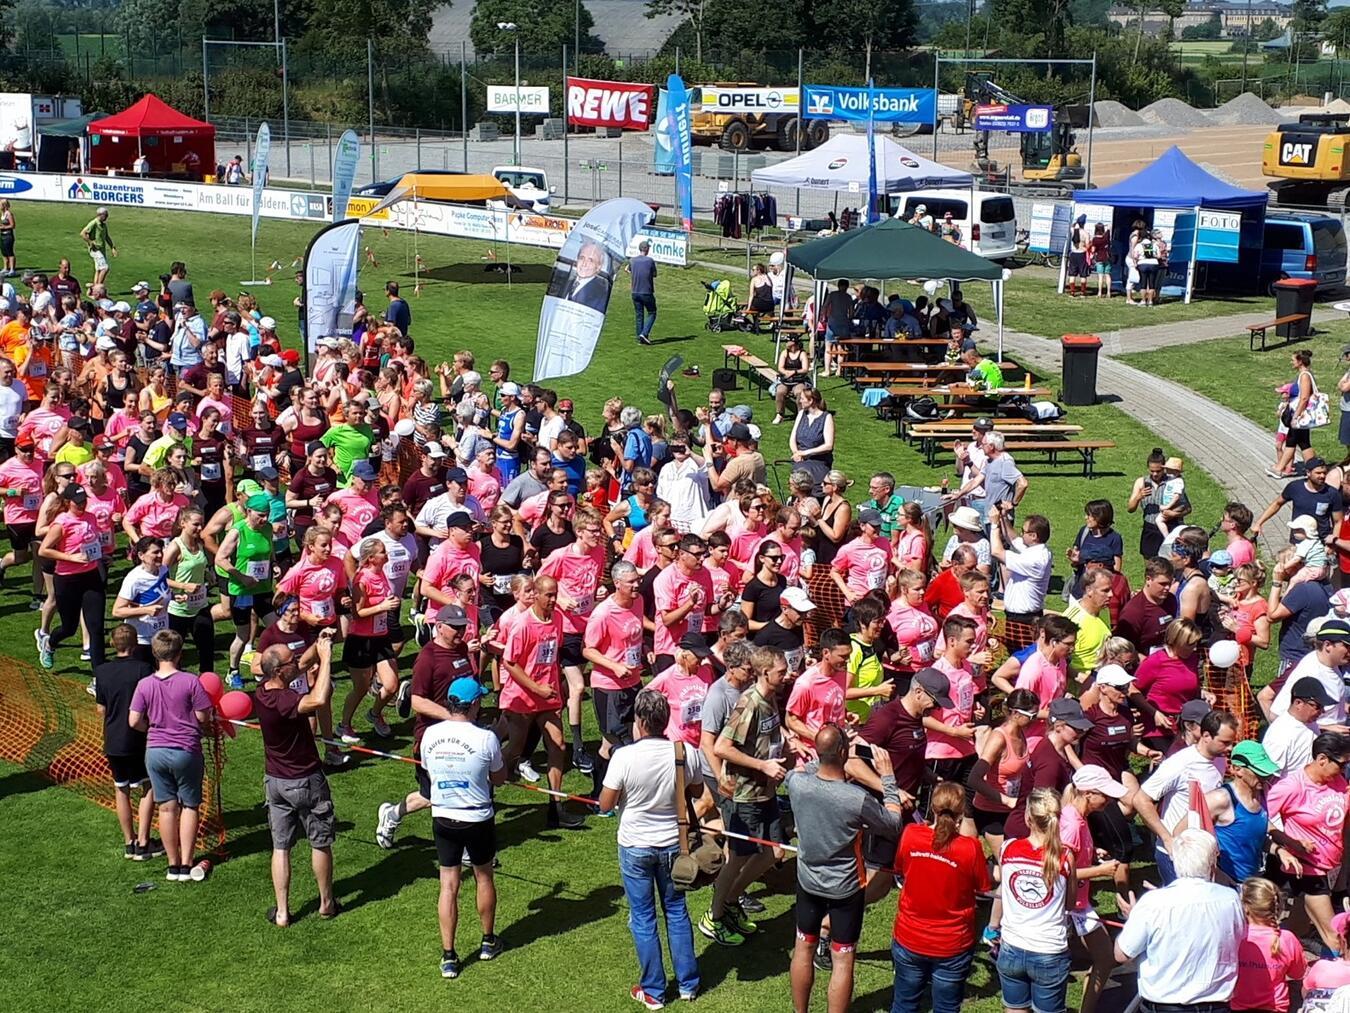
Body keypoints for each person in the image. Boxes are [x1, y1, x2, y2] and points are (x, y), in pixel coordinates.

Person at [786, 723, 904, 1013]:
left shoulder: (796, 783)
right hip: (845, 888)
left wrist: (829, 752)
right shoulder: (856, 799)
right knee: (843, 958)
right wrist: (888, 779)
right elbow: (893, 824)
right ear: (843, 753)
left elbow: (809, 768)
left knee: (803, 946)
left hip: (808, 881)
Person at [598, 688, 703, 1008]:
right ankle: (688, 984)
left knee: (643, 918)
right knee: (677, 912)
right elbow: (696, 789)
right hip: (673, 844)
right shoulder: (685, 753)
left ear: (640, 722)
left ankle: (654, 991)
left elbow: (605, 804)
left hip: (635, 846)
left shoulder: (624, 757)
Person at [702, 645, 789, 947]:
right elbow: (721, 747)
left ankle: (730, 902)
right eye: (781, 672)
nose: (787, 675)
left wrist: (788, 743)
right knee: (738, 857)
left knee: (771, 852)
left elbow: (769, 734)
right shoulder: (749, 703)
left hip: (766, 792)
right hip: (744, 795)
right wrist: (762, 765)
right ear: (765, 673)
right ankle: (714, 916)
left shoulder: (771, 697)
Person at [421, 676, 506, 978]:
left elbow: (428, 770)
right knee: (484, 877)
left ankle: (449, 956)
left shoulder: (430, 734)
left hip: (443, 816)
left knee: (448, 885)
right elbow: (499, 778)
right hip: (477, 817)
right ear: (474, 705)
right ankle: (488, 941)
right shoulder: (486, 738)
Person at [254, 636, 341, 926]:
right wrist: (326, 659)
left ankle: (282, 912)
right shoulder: (286, 701)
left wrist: (319, 644)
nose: (297, 662)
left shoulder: (262, 691)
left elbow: (301, 665)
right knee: (320, 842)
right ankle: (326, 903)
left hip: (275, 782)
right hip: (305, 780)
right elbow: (318, 699)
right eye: (290, 660)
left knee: (281, 846)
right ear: (280, 671)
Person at [1113, 829, 1246, 1012]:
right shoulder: (1230, 899)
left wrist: (1133, 920)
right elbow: (1238, 939)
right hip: (1216, 1005)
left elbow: (1122, 954)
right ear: (1212, 863)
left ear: (1175, 861)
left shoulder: (1153, 903)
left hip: (1166, 1005)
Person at [127, 630, 213, 882]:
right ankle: (187, 863)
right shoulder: (191, 681)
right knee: (189, 805)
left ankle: (172, 865)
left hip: (155, 752)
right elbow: (203, 716)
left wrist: (152, 728)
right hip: (186, 750)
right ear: (179, 653)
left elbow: (134, 720)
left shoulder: (145, 684)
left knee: (166, 808)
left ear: (155, 654)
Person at [1266, 731, 1350, 954]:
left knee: (1297, 928)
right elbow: (1261, 820)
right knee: (1337, 937)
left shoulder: (1338, 782)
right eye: (1342, 764)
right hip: (1308, 869)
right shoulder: (1291, 787)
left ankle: (1279, 959)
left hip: (1331, 867)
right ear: (1322, 759)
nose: (1345, 769)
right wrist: (1290, 842)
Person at [1133, 709, 1239, 883]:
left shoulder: (1219, 760)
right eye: (1225, 742)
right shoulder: (1180, 764)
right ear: (1206, 736)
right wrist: (1167, 839)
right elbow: (1140, 799)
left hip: (1203, 852)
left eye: (1231, 743)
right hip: (1177, 854)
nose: (1230, 748)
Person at [996, 787, 1075, 1013]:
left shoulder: (1007, 848)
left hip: (1012, 945)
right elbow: (1070, 903)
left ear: (1028, 818)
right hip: (1049, 950)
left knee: (1014, 1009)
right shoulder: (1065, 856)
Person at [94, 623, 161, 861]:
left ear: (113, 644)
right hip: (139, 738)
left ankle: (129, 842)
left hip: (113, 740)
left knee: (120, 788)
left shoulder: (102, 671)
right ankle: (143, 842)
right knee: (149, 787)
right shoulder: (144, 669)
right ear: (135, 644)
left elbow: (101, 709)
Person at [1232, 877, 1307, 1013]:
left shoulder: (1235, 936)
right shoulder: (1286, 938)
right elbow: (1298, 973)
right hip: (1275, 1007)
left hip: (1237, 1006)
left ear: (1245, 907)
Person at [1262, 675, 1333, 776]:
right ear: (1298, 703)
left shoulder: (1309, 722)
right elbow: (1271, 776)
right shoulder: (1280, 734)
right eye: (1317, 706)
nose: (1322, 711)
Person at [627, 239, 656, 346]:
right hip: (646, 291)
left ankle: (640, 337)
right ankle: (644, 333)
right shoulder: (650, 261)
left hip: (635, 291)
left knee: (639, 315)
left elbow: (628, 270)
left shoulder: (632, 260)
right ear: (646, 249)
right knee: (652, 312)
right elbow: (654, 274)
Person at [79, 207, 117, 286]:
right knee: (105, 268)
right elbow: (83, 233)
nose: (107, 217)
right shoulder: (94, 223)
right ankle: (98, 287)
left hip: (101, 250)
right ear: (100, 215)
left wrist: (112, 247)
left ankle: (94, 288)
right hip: (96, 250)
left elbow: (106, 237)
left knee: (98, 270)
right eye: (106, 215)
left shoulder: (104, 225)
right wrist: (90, 242)